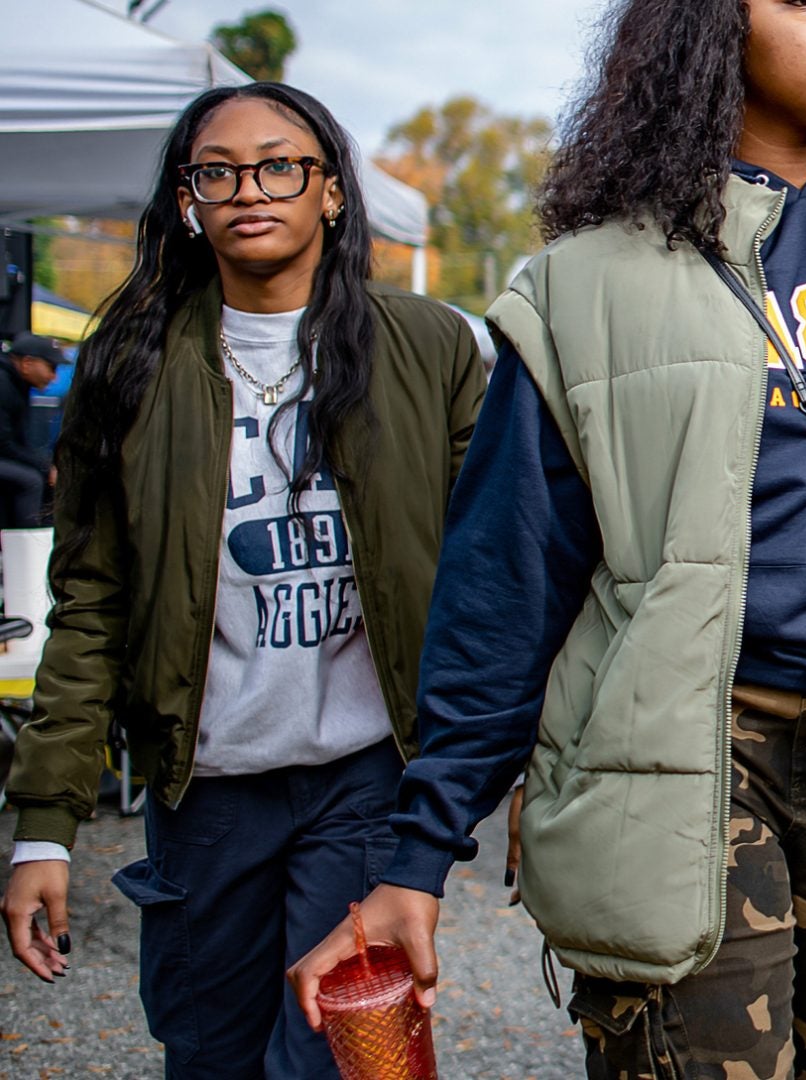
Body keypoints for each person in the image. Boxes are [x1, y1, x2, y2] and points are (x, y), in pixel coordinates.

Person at [289, 1, 806, 1077]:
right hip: (686, 756)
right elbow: (506, 586)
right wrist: (416, 858)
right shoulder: (584, 287)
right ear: (710, 26)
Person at [0, 83, 485, 1077]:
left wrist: (508, 778)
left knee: (347, 1057)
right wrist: (43, 827)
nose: (248, 189)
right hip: (206, 791)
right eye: (216, 171)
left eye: (279, 165)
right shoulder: (129, 365)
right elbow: (87, 603)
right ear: (188, 200)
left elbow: (497, 577)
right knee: (209, 1053)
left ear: (332, 192)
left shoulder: (428, 347)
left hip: (364, 781)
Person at [0, 334, 62, 527]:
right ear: (27, 363)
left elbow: (18, 442)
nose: (54, 377)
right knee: (30, 480)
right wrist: (44, 467)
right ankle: (26, 548)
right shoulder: (3, 384)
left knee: (42, 473)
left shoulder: (18, 384)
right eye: (51, 368)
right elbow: (4, 444)